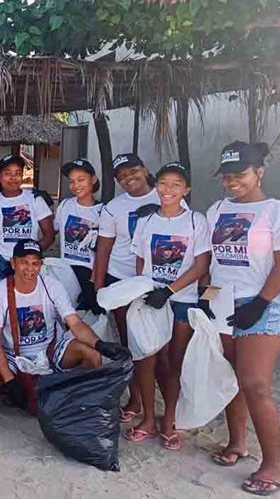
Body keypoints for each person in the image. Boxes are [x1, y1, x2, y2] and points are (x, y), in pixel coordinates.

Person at [205, 142, 280, 495]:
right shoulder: (216, 209)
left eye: (239, 175)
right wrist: (207, 297)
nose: (232, 182)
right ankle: (237, 442)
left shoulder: (277, 212)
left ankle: (273, 465)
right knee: (231, 378)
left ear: (259, 172)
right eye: (226, 176)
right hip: (223, 304)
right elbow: (211, 261)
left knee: (255, 383)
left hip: (262, 305)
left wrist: (260, 303)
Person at [0, 239, 129, 408]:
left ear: (41, 265)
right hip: (14, 356)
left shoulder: (52, 286)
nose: (29, 269)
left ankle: (73, 394)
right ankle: (15, 388)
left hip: (49, 350)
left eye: (35, 264)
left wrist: (100, 345)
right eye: (24, 263)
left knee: (92, 356)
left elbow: (74, 323)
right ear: (13, 263)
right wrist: (9, 380)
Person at [126, 162, 211, 450]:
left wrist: (170, 290)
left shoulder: (195, 221)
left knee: (173, 363)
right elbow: (140, 260)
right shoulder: (147, 221)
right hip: (151, 299)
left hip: (181, 301)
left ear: (186, 189)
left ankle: (169, 419)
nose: (168, 189)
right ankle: (149, 418)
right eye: (163, 183)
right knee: (147, 359)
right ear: (156, 185)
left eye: (176, 184)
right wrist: (144, 289)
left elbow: (201, 265)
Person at [93, 152, 164, 422]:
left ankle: (165, 408)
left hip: (160, 285)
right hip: (122, 282)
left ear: (145, 168)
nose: (128, 178)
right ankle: (134, 399)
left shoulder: (164, 196)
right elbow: (103, 249)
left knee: (162, 351)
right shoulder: (113, 207)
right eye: (121, 176)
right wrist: (98, 288)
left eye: (133, 171)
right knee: (130, 345)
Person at [0, 154, 54, 289]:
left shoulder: (34, 198)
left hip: (26, 262)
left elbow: (49, 235)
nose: (13, 178)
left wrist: (32, 255)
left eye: (17, 173)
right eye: (7, 173)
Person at [54, 159, 103, 314]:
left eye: (81, 180)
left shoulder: (103, 211)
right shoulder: (65, 205)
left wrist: (95, 284)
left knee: (88, 318)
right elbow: (53, 229)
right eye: (72, 181)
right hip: (65, 271)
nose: (76, 186)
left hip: (89, 274)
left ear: (93, 179)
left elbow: (104, 252)